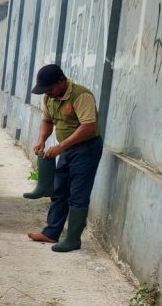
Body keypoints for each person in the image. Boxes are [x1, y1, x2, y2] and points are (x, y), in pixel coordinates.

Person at [25, 63, 103, 252]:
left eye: (50, 88)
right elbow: (47, 120)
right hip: (67, 149)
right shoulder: (49, 98)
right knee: (59, 189)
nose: (48, 93)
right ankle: (51, 232)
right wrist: (42, 140)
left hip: (86, 148)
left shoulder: (81, 95)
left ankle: (73, 239)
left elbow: (88, 127)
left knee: (78, 193)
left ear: (62, 80)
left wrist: (60, 147)